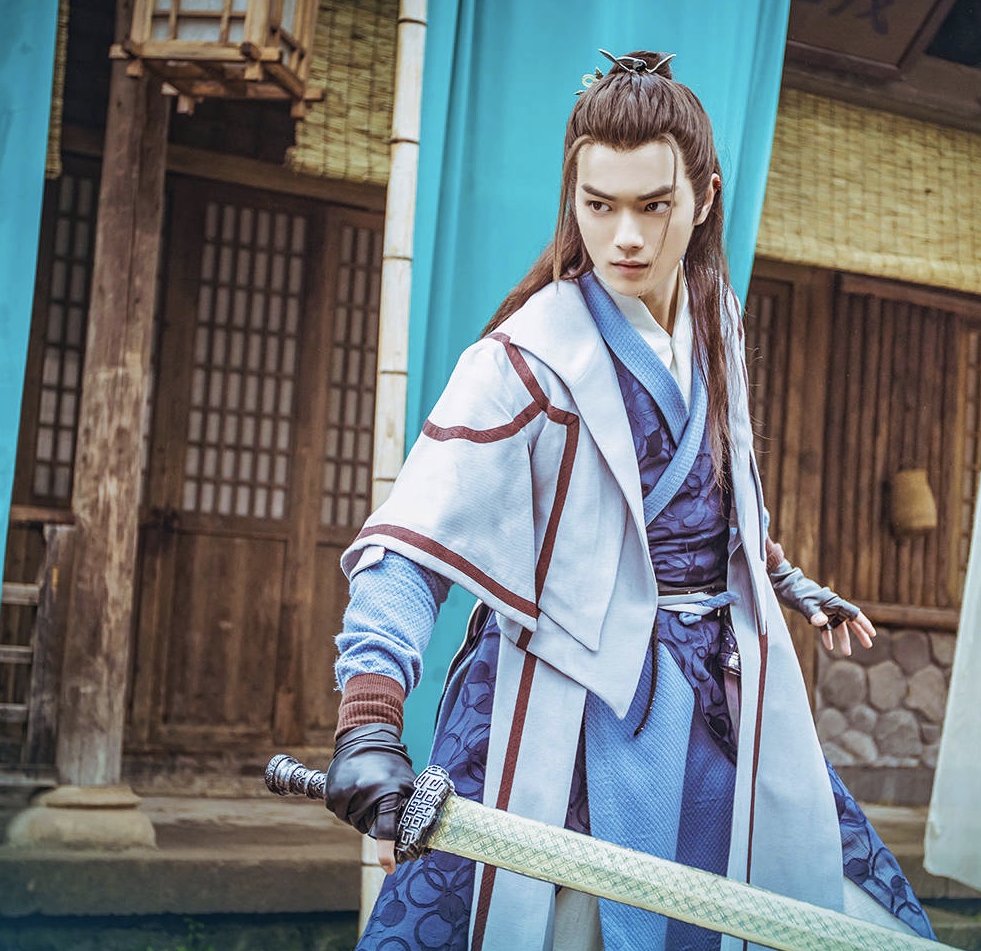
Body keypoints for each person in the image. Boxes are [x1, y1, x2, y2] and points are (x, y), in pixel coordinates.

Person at [324, 49, 935, 951]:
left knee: (823, 909)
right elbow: (410, 545)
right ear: (573, 198)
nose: (626, 239)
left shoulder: (716, 317)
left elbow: (717, 502)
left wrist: (787, 581)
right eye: (599, 205)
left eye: (654, 206)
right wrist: (369, 721)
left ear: (705, 198)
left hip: (718, 686)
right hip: (571, 693)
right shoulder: (527, 356)